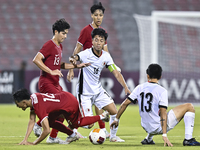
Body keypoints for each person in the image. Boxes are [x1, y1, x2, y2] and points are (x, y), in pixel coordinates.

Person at [110, 63, 200, 146]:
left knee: (155, 112)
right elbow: (163, 113)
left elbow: (124, 104)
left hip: (145, 126)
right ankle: (188, 139)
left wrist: (116, 119)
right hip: (157, 127)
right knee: (189, 107)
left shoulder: (139, 87)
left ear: (147, 75)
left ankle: (148, 139)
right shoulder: (162, 91)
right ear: (160, 76)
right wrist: (164, 134)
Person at [67, 2, 120, 138]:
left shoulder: (103, 33)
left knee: (99, 101)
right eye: (95, 15)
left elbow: (106, 52)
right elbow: (77, 50)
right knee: (90, 109)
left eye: (100, 15)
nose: (98, 17)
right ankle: (72, 126)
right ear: (91, 15)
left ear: (103, 16)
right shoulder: (86, 31)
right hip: (86, 71)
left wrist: (112, 65)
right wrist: (71, 69)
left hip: (97, 71)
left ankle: (103, 130)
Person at [32, 18, 89, 143]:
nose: (65, 36)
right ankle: (38, 125)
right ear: (56, 32)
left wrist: (76, 66)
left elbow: (59, 65)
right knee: (62, 106)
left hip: (55, 83)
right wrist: (51, 71)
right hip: (47, 82)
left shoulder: (60, 46)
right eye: (63, 33)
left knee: (63, 111)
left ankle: (52, 137)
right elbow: (36, 59)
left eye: (66, 33)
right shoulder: (49, 45)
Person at [69, 28, 131, 142]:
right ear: (92, 41)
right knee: (89, 125)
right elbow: (76, 57)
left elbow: (116, 73)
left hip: (98, 91)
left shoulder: (106, 56)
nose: (98, 43)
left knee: (114, 112)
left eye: (101, 40)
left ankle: (113, 136)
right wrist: (73, 59)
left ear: (104, 43)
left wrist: (125, 87)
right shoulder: (86, 54)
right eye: (96, 40)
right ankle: (72, 123)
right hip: (85, 93)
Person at [13, 88, 109, 145]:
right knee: (50, 122)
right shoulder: (33, 97)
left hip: (69, 103)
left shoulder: (38, 107)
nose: (17, 106)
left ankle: (102, 116)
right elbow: (31, 120)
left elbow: (46, 131)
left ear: (24, 102)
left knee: (77, 123)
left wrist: (34, 143)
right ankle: (72, 135)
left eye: (18, 104)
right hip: (62, 99)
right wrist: (25, 139)